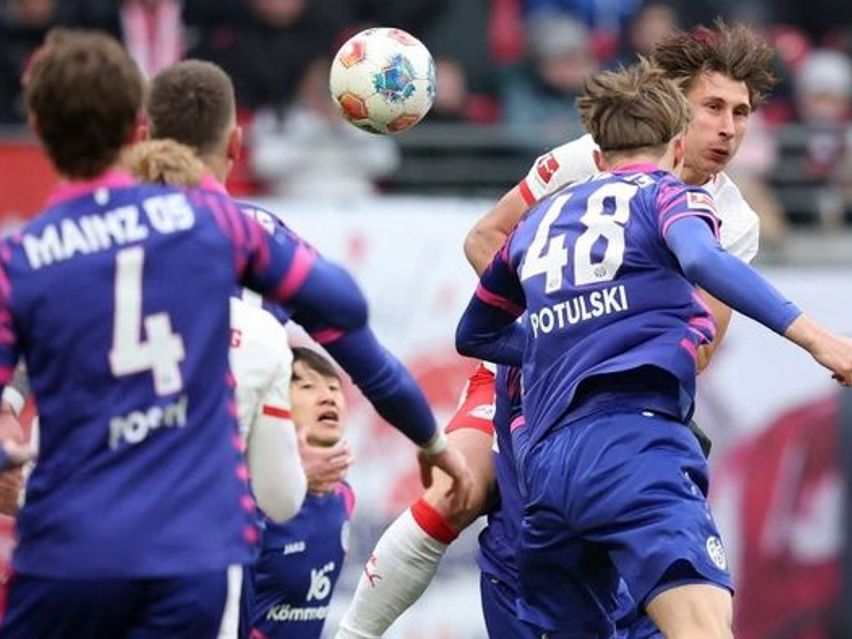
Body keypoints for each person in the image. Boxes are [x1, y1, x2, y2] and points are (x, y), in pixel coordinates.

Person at [0, 29, 469, 638]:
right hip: (199, 548)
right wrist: (431, 442)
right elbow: (346, 310)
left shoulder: (26, 256)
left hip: (70, 551)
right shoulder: (220, 228)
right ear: (234, 142)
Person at [337, 20, 775, 637]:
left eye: (741, 112)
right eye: (713, 107)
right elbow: (486, 237)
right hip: (525, 370)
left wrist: (611, 327)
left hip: (610, 399)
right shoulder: (589, 157)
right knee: (458, 492)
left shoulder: (735, 220)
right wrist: (553, 330)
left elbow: (701, 346)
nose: (728, 127)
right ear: (676, 108)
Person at [455, 58, 852, 639]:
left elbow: (474, 336)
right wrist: (821, 341)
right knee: (702, 628)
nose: (728, 126)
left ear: (599, 154)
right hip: (633, 444)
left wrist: (565, 341)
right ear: (676, 144)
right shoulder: (670, 195)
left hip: (547, 463)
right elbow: (701, 259)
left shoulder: (536, 226)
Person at [250, 347, 354, 639]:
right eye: (308, 386)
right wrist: (293, 478)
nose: (327, 396)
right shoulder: (247, 494)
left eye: (334, 387)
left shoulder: (344, 497)